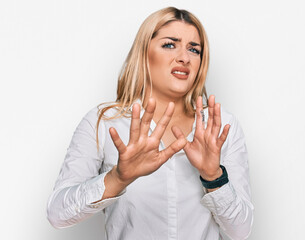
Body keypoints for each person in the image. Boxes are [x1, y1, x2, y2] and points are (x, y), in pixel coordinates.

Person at [47, 6, 254, 240]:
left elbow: (241, 231)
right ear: (144, 52)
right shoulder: (104, 123)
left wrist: (214, 176)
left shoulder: (221, 126)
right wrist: (118, 178)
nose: (184, 58)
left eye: (194, 49)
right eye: (169, 44)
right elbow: (57, 214)